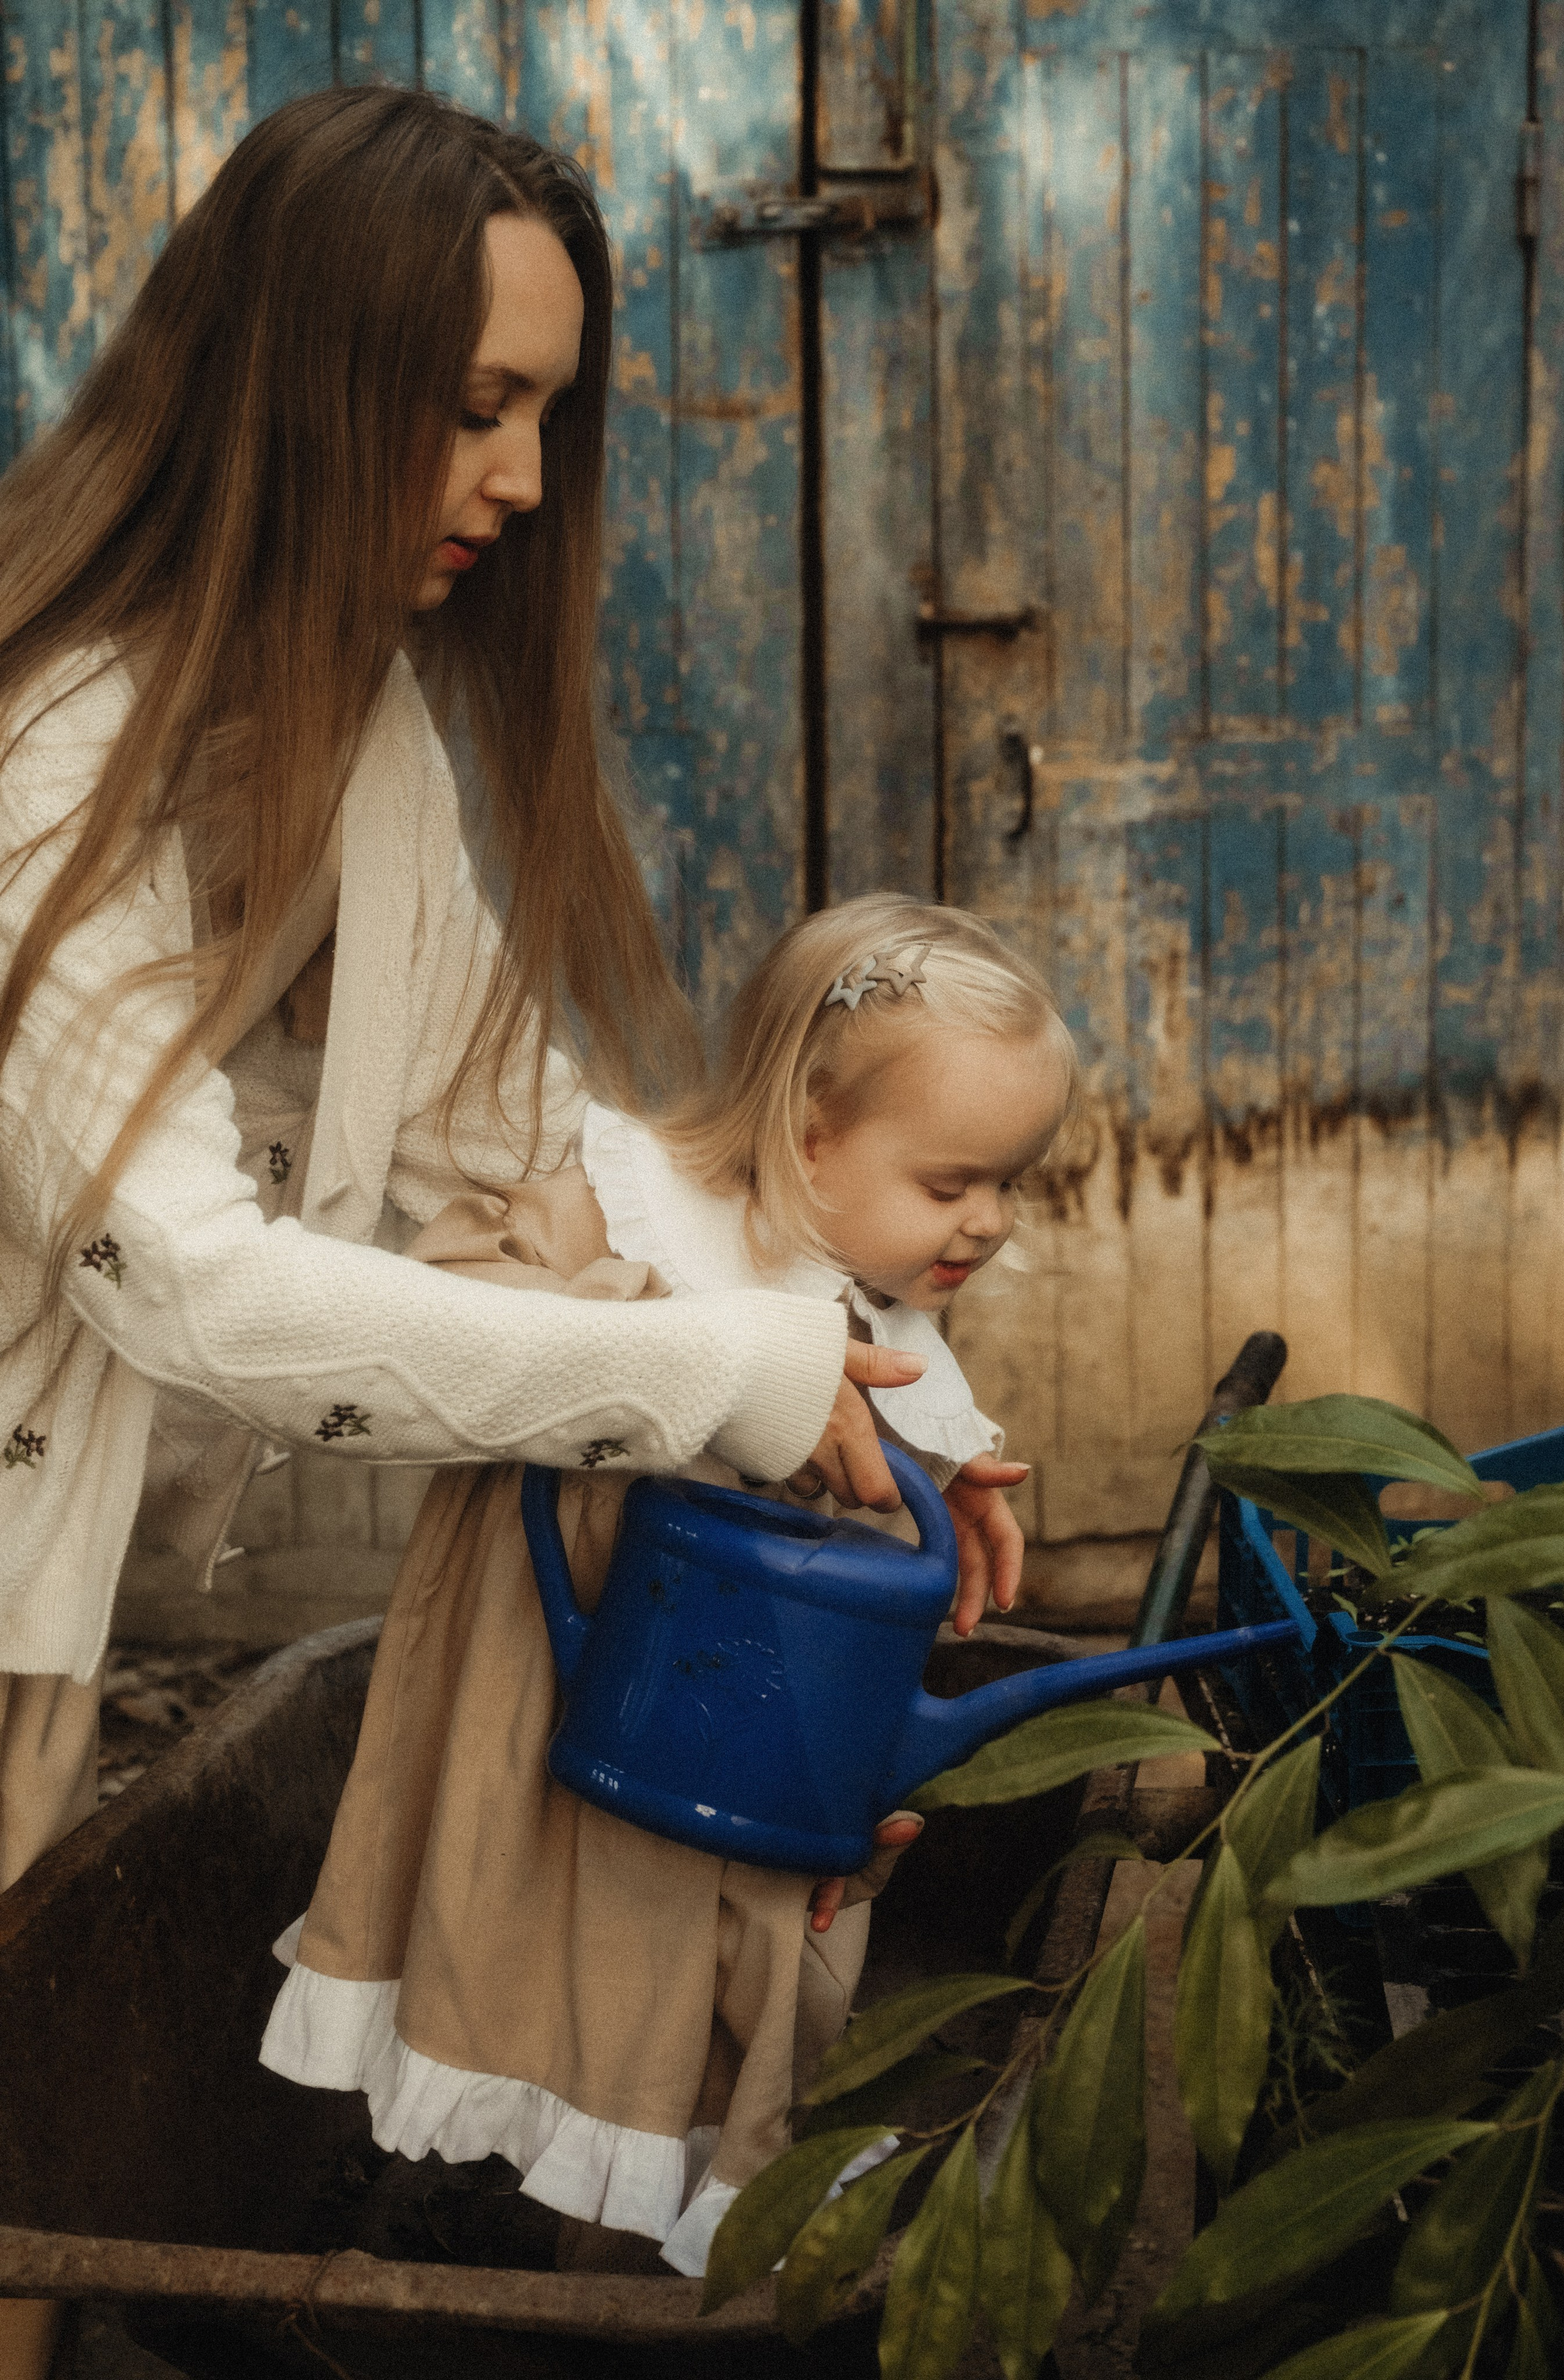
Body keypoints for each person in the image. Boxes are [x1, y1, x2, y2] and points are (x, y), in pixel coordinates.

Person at [0, 88, 921, 2379]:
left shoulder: (359, 739)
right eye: (476, 403)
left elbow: (523, 1159)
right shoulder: (41, 751)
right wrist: (734, 1383)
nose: (521, 480)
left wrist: (877, 1380)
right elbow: (193, 1280)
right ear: (294, 377)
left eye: (544, 411)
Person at [262, 893, 1075, 2275]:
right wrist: (663, 1346)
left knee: (757, 1962)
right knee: (576, 1953)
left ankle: (656, 2236)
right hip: (553, 1671)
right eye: (953, 1184)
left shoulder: (873, 1295)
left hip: (733, 1721)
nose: (989, 1223)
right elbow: (453, 1305)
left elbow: (870, 1439)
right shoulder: (619, 1199)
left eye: (1012, 1180)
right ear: (812, 1135)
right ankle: (593, 2244)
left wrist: (948, 1467)